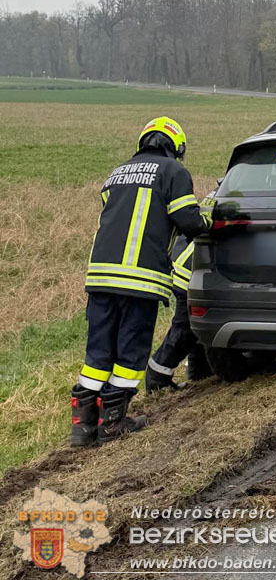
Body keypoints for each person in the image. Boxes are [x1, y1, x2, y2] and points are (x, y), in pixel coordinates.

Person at [71, 117, 211, 446]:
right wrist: (213, 223)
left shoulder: (116, 174)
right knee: (131, 354)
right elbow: (188, 220)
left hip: (101, 278)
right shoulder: (174, 173)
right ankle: (112, 424)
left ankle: (82, 426)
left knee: (98, 354)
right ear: (176, 146)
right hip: (140, 281)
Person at [144, 234, 212, 392]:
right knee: (185, 330)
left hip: (191, 267)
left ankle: (200, 374)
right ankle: (157, 378)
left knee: (198, 326)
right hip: (189, 272)